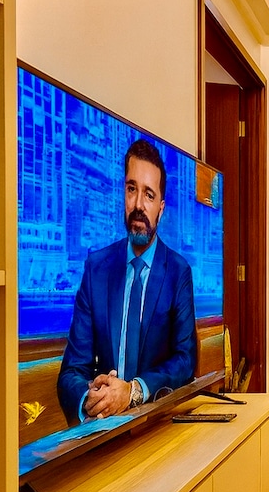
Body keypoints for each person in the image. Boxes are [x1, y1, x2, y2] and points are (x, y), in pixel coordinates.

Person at [57, 138, 197, 424]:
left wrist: (133, 391)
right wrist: (92, 399)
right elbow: (71, 371)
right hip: (102, 427)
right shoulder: (96, 269)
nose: (138, 205)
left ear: (161, 208)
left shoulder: (178, 272)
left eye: (149, 195)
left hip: (156, 424)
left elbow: (185, 360)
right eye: (132, 189)